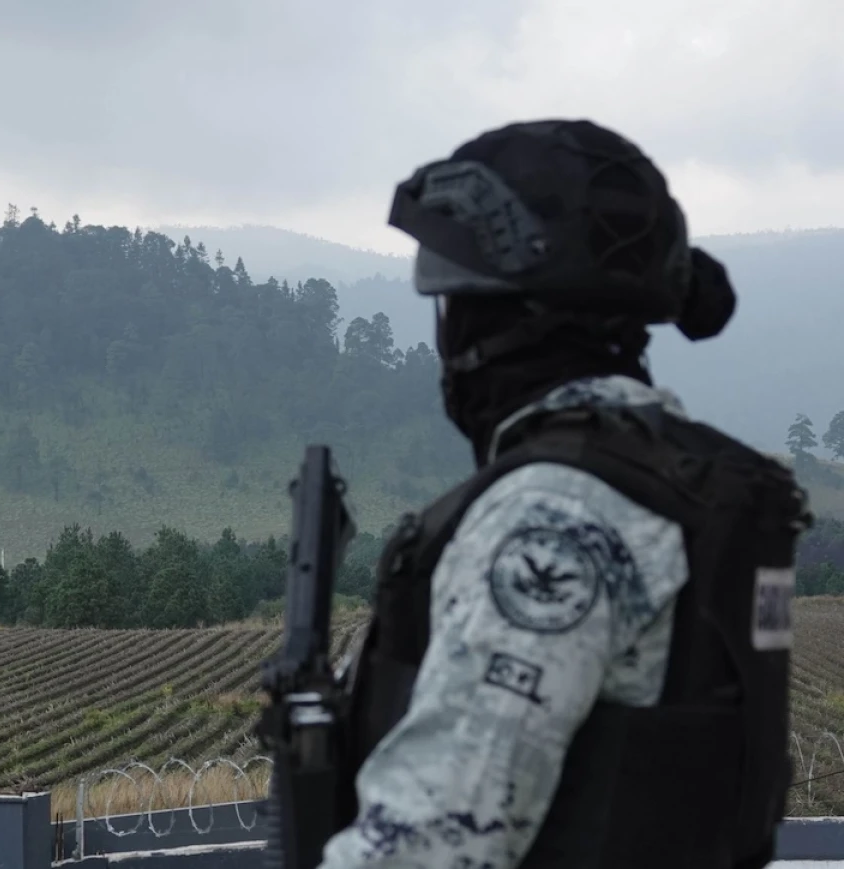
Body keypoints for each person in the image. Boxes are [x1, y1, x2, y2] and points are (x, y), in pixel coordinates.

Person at [320, 120, 813, 869]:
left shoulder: (553, 516)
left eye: (453, 301)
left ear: (494, 318)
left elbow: (429, 847)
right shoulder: (703, 488)